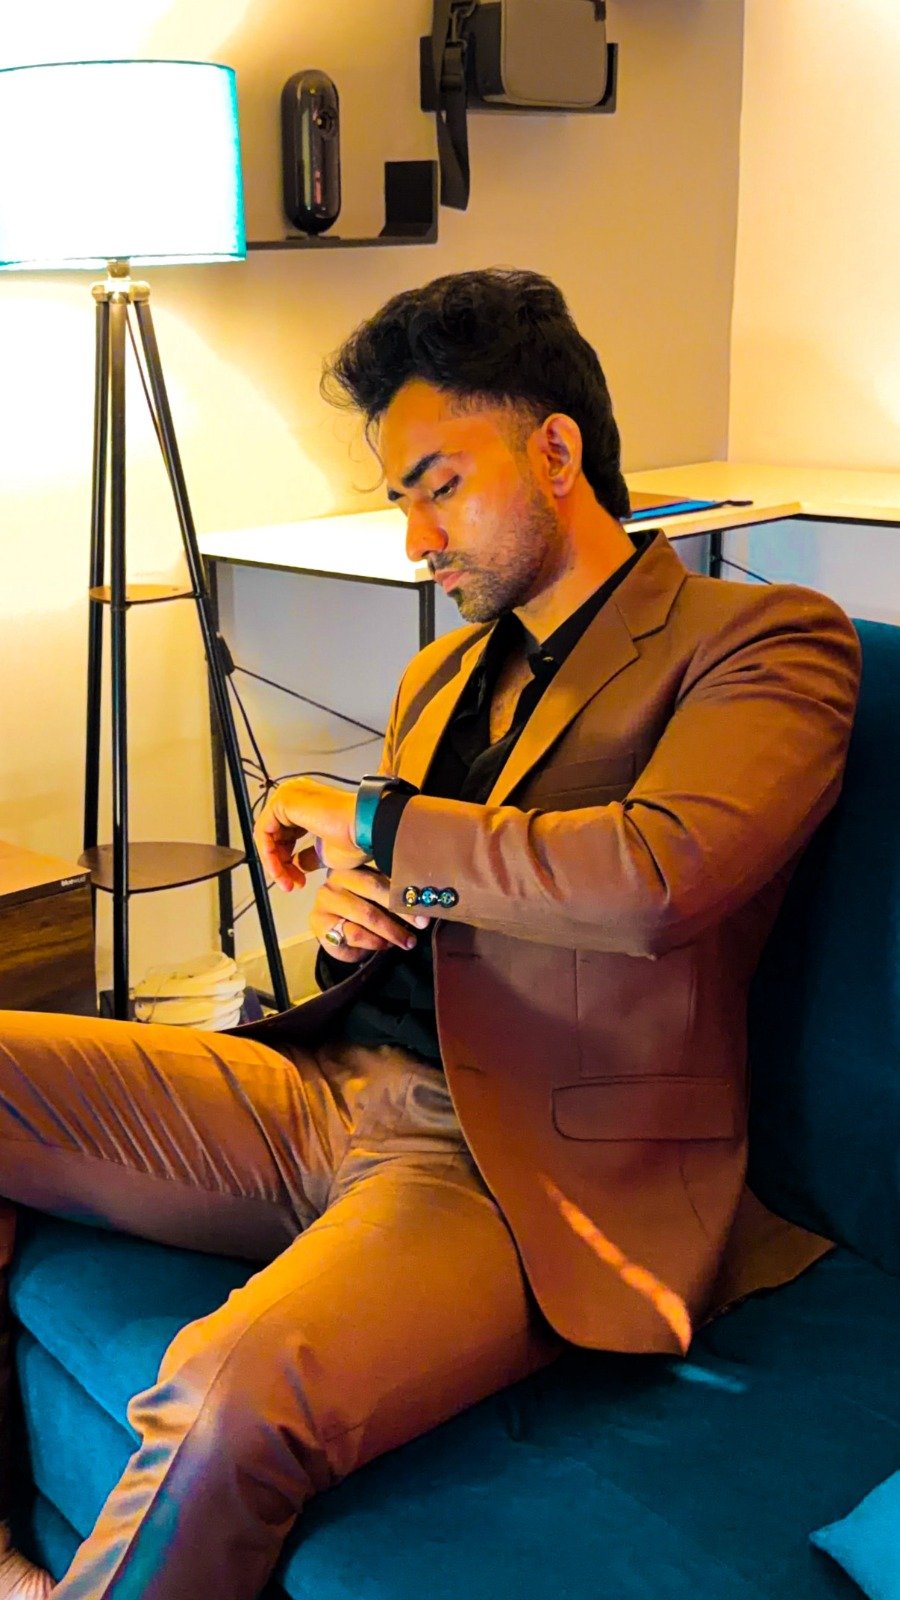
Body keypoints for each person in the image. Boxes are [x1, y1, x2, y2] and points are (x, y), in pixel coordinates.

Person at [0, 268, 860, 1600]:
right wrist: (353, 920)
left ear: (556, 452)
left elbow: (657, 878)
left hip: (517, 1163)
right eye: (400, 498)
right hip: (320, 1089)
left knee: (222, 1391)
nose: (416, 540)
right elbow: (436, 891)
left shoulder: (760, 640)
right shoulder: (442, 670)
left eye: (438, 486)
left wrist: (372, 819)